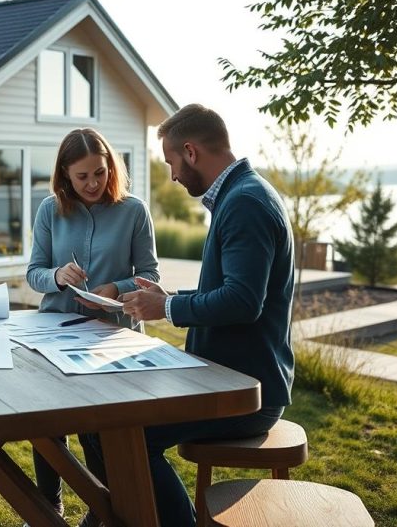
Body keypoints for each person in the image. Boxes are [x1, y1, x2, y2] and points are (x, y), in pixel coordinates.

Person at [84, 104, 295, 527]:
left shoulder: (246, 204)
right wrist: (171, 296)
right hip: (220, 378)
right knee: (98, 424)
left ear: (191, 151)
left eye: (171, 163)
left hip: (245, 393)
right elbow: (233, 289)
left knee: (119, 433)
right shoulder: (242, 195)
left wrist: (167, 308)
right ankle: (114, 517)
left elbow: (242, 301)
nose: (173, 175)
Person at [26, 127, 160, 524]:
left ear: (110, 168)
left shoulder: (133, 210)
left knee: (100, 427)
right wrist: (57, 277)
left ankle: (103, 507)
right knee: (49, 420)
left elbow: (150, 273)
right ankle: (50, 504)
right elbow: (33, 273)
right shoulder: (50, 210)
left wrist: (115, 289)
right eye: (82, 176)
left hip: (112, 336)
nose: (92, 184)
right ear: (65, 174)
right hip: (55, 330)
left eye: (99, 173)